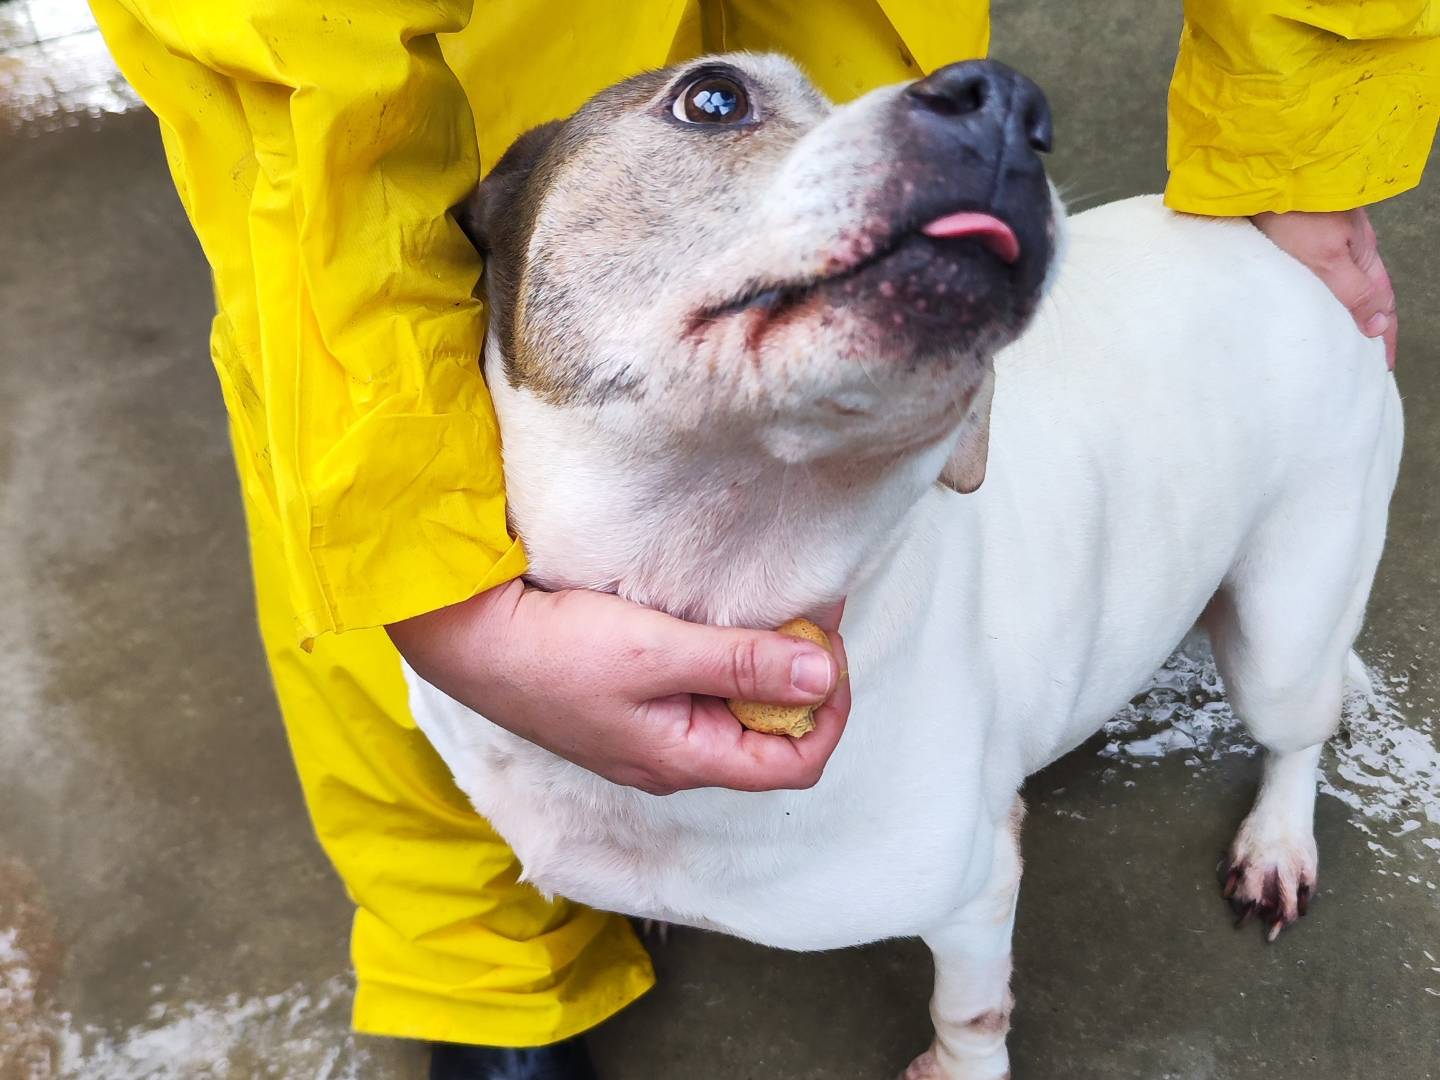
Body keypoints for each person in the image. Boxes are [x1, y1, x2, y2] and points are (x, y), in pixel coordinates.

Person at [92, 2, 1436, 1078]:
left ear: (974, 432)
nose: (1006, 117)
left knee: (1282, 689)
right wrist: (429, 577)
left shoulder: (905, 825)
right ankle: (488, 976)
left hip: (1273, 384)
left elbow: (968, 881)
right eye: (717, 105)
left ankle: (1285, 780)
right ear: (503, 245)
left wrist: (1302, 134)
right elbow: (286, 80)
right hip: (417, 63)